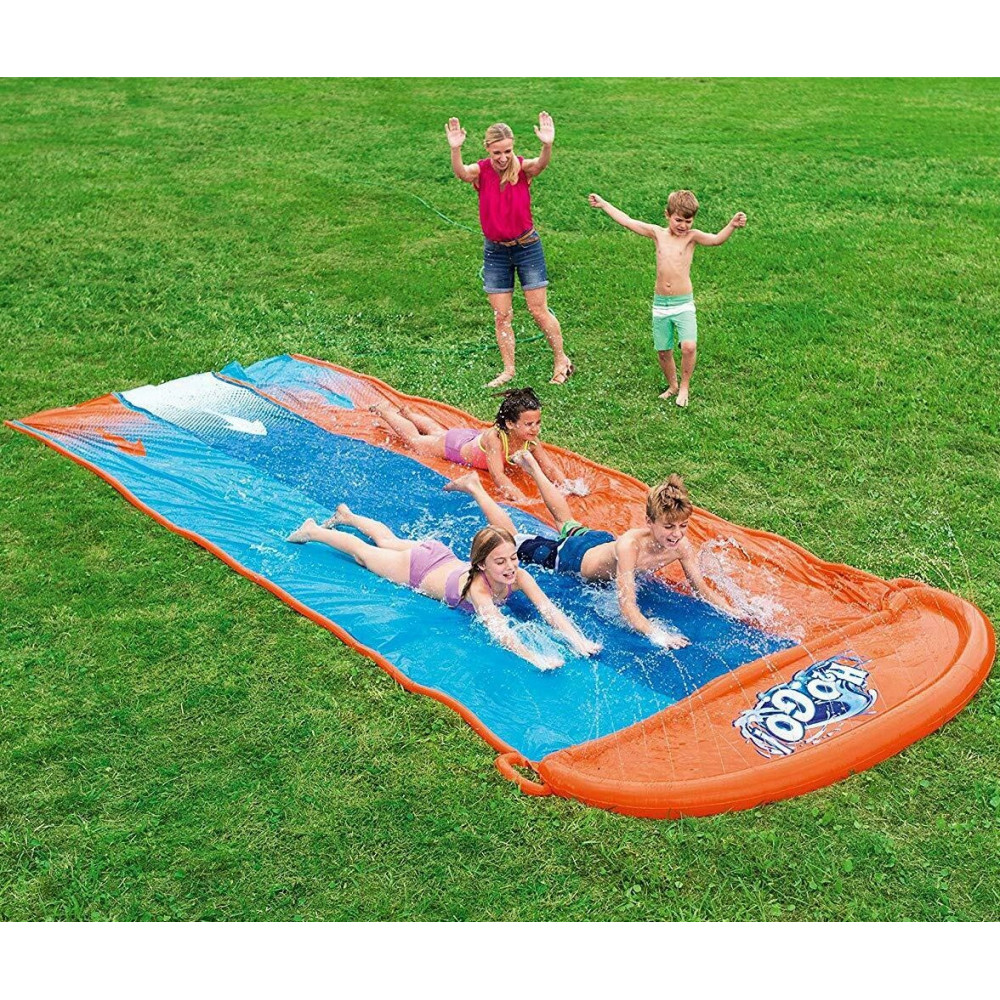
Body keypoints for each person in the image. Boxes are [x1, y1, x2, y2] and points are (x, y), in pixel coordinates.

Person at [447, 452, 738, 651]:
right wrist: (656, 633)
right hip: (571, 557)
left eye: (683, 526)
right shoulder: (630, 546)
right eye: (669, 527)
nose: (676, 534)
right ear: (649, 522)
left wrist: (731, 610)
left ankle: (533, 467)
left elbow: (701, 588)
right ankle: (476, 488)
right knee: (512, 539)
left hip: (599, 541)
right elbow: (627, 605)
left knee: (566, 521)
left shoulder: (681, 545)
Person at [287, 503, 600, 671]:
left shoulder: (518, 576)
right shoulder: (478, 588)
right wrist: (533, 657)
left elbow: (548, 610)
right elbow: (499, 631)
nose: (510, 567)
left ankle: (348, 515)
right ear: (481, 565)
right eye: (500, 562)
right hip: (418, 567)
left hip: (440, 555)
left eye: (513, 558)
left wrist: (579, 640)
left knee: (388, 540)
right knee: (364, 553)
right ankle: (313, 531)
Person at [447, 113, 574, 387]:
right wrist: (455, 149)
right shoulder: (482, 171)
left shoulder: (521, 168)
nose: (503, 158)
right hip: (496, 252)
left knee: (538, 310)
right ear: (487, 149)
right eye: (497, 152)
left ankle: (561, 360)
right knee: (502, 316)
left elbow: (540, 164)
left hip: (527, 248)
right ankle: (508, 370)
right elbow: (462, 173)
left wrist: (547, 145)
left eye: (507, 151)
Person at [588, 190, 746, 407]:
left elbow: (716, 240)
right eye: (678, 220)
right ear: (667, 215)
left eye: (688, 221)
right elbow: (628, 221)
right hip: (661, 304)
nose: (683, 225)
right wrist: (604, 204)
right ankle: (672, 385)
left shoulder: (692, 237)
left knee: (688, 346)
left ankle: (684, 387)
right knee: (663, 351)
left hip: (683, 303)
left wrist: (732, 225)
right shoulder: (657, 234)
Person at [370, 386, 571, 504]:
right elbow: (498, 475)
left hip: (469, 439)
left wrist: (567, 486)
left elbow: (549, 467)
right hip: (456, 448)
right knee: (417, 443)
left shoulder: (530, 440)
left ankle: (410, 414)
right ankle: (385, 411)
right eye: (529, 424)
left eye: (537, 423)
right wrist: (521, 499)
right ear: (510, 424)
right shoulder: (496, 439)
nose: (535, 429)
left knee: (437, 433)